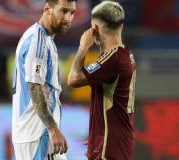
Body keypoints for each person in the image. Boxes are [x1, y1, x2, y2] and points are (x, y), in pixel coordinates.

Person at [68, 1, 136, 160]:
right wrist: (97, 134)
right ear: (121, 26)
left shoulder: (112, 60)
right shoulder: (126, 54)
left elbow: (73, 78)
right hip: (117, 146)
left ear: (95, 29)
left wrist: (83, 47)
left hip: (108, 151)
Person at [11, 0, 76, 159]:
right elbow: (34, 87)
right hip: (37, 132)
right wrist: (53, 129)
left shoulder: (46, 40)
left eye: (72, 13)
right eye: (63, 11)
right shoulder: (37, 40)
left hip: (40, 132)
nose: (68, 18)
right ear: (48, 8)